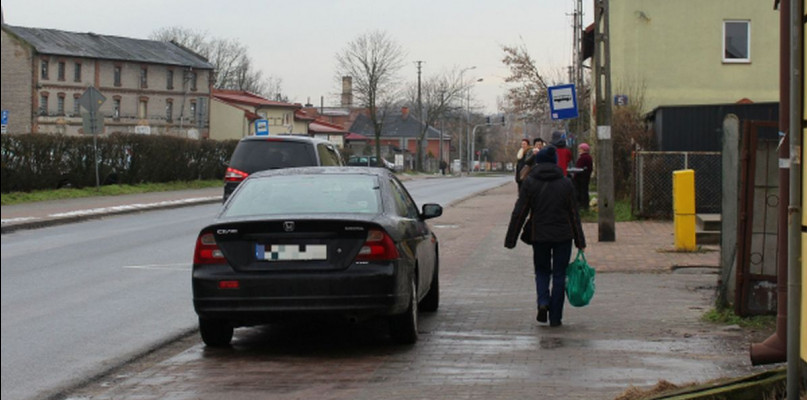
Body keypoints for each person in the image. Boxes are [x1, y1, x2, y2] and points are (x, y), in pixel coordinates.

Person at [504, 146, 586, 327]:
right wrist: (580, 240)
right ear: (556, 163)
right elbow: (574, 214)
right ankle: (555, 317)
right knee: (559, 274)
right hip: (563, 237)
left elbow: (520, 212)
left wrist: (511, 238)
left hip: (539, 235)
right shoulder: (566, 183)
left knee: (541, 271)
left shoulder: (530, 182)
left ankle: (543, 302)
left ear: (538, 162)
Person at [574, 143, 593, 210]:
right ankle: (585, 205)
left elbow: (578, 168)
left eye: (580, 149)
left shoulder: (583, 158)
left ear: (583, 149)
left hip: (580, 178)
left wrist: (574, 176)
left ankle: (581, 205)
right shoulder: (589, 157)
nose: (579, 150)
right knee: (585, 191)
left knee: (580, 191)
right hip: (586, 177)